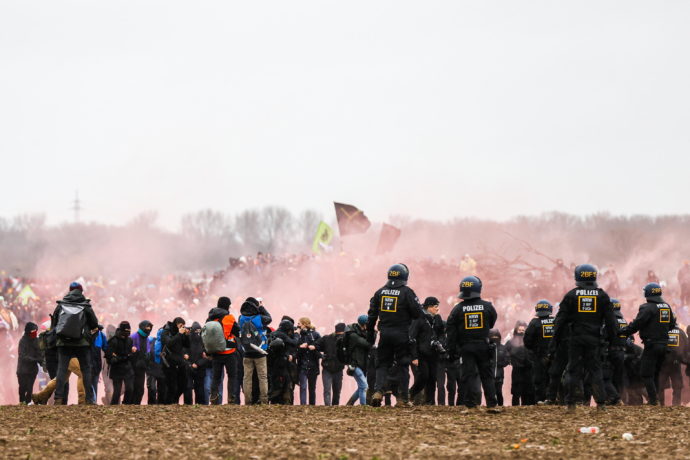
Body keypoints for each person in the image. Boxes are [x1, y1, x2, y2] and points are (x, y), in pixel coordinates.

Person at [551, 264, 616, 412]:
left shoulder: (571, 295)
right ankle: (601, 405)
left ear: (577, 276)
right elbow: (611, 322)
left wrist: (555, 341)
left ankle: (571, 405)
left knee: (573, 370)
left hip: (576, 339)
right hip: (594, 339)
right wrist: (613, 341)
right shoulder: (602, 295)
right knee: (595, 370)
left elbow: (560, 321)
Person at [367, 263, 423, 407]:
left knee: (382, 365)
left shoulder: (380, 292)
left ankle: (378, 392)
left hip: (384, 333)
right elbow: (417, 313)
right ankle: (402, 399)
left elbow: (372, 315)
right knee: (403, 365)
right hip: (402, 334)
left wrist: (369, 335)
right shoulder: (407, 292)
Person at [446, 276, 499, 411]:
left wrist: (452, 351)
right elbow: (492, 323)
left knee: (468, 375)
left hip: (466, 347)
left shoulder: (457, 309)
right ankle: (492, 405)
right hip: (483, 345)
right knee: (487, 375)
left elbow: (451, 332)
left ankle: (471, 405)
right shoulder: (488, 306)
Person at [619, 283, 677, 405]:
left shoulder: (647, 307)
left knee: (645, 373)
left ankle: (653, 400)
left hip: (652, 345)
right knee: (655, 373)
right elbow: (672, 324)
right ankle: (657, 399)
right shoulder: (666, 306)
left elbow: (637, 323)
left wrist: (624, 332)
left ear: (648, 293)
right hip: (664, 346)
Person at [50, 282, 99, 405]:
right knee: (86, 371)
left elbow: (54, 324)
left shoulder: (61, 305)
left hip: (63, 343)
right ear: (81, 291)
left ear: (69, 290)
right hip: (82, 343)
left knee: (61, 370)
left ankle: (58, 398)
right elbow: (94, 324)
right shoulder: (85, 306)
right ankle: (89, 399)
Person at [409, 296, 445, 405]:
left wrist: (440, 342)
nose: (437, 309)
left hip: (434, 353)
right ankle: (411, 394)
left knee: (433, 377)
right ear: (428, 307)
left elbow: (442, 334)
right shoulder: (418, 319)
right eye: (435, 306)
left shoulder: (437, 319)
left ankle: (430, 402)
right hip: (421, 353)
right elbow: (411, 338)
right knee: (424, 376)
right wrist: (414, 356)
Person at [206, 297, 240, 405]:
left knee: (216, 377)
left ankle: (214, 398)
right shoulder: (230, 318)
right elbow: (237, 331)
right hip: (229, 352)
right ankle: (231, 399)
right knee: (232, 376)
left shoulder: (210, 318)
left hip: (216, 351)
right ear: (227, 305)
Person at [238, 297, 271, 405]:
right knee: (262, 377)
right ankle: (264, 400)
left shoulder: (241, 318)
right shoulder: (260, 318)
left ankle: (247, 400)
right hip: (260, 351)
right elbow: (269, 318)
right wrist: (261, 307)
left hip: (247, 352)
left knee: (247, 377)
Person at [524, 300, 555, 404]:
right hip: (555, 355)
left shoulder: (534, 323)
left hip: (539, 355)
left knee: (539, 379)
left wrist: (534, 350)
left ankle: (540, 400)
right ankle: (553, 398)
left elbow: (527, 341)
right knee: (554, 376)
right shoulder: (556, 321)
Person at [161, 317, 191, 404]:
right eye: (180, 325)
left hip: (180, 362)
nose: (182, 327)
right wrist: (179, 334)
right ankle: (169, 404)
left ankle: (174, 401)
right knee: (172, 387)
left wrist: (186, 335)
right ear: (176, 324)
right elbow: (169, 343)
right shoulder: (166, 332)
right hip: (169, 363)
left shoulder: (180, 333)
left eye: (183, 326)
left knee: (183, 385)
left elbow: (187, 345)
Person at [316, 322, 346, 406]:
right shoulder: (327, 338)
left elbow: (315, 346)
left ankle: (332, 406)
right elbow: (316, 346)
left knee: (333, 390)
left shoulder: (327, 338)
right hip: (329, 368)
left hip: (333, 368)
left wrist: (321, 356)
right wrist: (321, 355)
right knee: (331, 390)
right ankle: (329, 406)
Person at [505, 320, 534, 405]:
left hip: (528, 369)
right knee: (516, 391)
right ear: (516, 329)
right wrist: (508, 360)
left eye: (523, 330)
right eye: (520, 330)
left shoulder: (530, 341)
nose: (521, 331)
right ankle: (516, 407)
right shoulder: (510, 341)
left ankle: (527, 407)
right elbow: (505, 352)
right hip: (517, 369)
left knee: (527, 390)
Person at [106, 321, 135, 405]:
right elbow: (109, 356)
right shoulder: (113, 341)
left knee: (130, 389)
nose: (128, 333)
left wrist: (131, 353)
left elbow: (129, 354)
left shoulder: (130, 340)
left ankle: (126, 405)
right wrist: (116, 358)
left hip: (127, 368)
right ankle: (113, 407)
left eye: (129, 330)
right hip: (117, 369)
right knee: (117, 391)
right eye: (126, 331)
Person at [346, 315, 371, 406]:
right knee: (364, 386)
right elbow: (367, 344)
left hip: (361, 364)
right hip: (354, 364)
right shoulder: (354, 335)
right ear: (364, 324)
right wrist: (372, 333)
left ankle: (350, 403)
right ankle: (363, 405)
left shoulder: (361, 332)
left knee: (361, 386)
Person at [297, 317, 321, 405]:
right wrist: (300, 347)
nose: (297, 325)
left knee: (312, 388)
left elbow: (320, 345)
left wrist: (311, 346)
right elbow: (296, 347)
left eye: (299, 323)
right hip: (303, 365)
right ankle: (303, 405)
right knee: (303, 387)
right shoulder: (298, 335)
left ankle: (312, 405)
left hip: (312, 365)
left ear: (304, 324)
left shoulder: (315, 334)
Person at [17, 322, 42, 404]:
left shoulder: (37, 340)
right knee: (22, 388)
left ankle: (28, 402)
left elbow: (40, 353)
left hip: (32, 370)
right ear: (28, 331)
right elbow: (22, 356)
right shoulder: (22, 341)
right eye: (33, 332)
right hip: (22, 370)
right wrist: (34, 359)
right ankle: (22, 402)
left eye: (36, 331)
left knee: (30, 387)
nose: (35, 333)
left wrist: (42, 360)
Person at [185, 322, 209, 404]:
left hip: (200, 368)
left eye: (199, 331)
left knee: (199, 389)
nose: (197, 333)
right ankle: (188, 405)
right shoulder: (187, 340)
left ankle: (200, 405)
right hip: (188, 368)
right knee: (188, 388)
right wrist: (190, 364)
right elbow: (184, 354)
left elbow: (207, 356)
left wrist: (198, 364)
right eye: (196, 331)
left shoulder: (204, 341)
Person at [130, 320, 153, 404]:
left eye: (150, 327)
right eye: (147, 327)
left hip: (142, 367)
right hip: (133, 367)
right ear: (142, 327)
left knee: (140, 389)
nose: (149, 328)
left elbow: (147, 351)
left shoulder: (147, 338)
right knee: (133, 388)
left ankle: (137, 405)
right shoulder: (133, 337)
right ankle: (130, 405)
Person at [488, 328, 509, 406]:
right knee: (490, 392)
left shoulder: (503, 348)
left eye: (496, 336)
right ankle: (490, 406)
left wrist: (502, 363)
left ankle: (501, 406)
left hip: (499, 375)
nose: (495, 337)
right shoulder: (487, 347)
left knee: (499, 392)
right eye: (493, 336)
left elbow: (507, 359)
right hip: (489, 374)